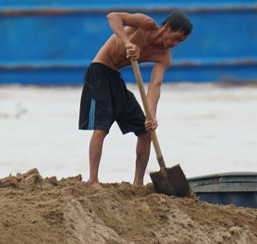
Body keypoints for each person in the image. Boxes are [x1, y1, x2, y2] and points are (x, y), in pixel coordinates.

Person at [79, 10, 191, 189]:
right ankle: (93, 180)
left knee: (145, 131)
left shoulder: (164, 56)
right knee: (101, 128)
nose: (176, 44)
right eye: (176, 38)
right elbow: (113, 16)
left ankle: (138, 182)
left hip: (116, 78)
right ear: (167, 28)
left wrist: (151, 115)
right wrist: (127, 42)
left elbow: (155, 85)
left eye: (181, 42)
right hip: (99, 72)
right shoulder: (145, 24)